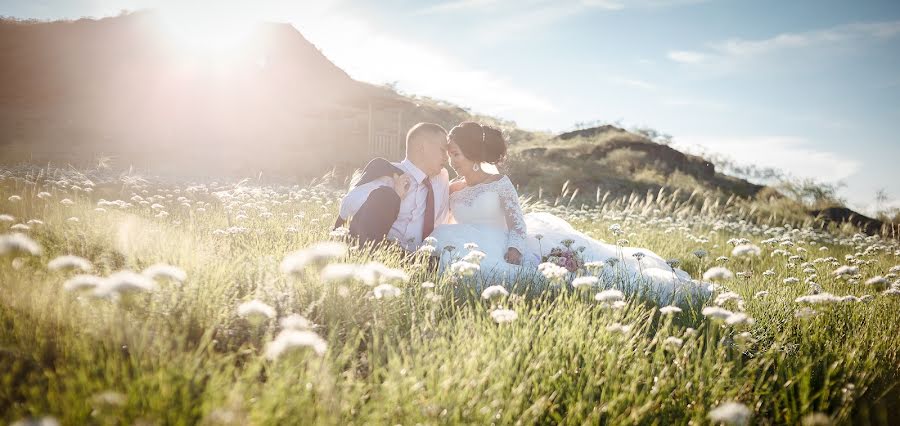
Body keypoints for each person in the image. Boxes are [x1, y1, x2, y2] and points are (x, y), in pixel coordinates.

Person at [334, 123, 450, 250]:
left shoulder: (441, 178)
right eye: (443, 150)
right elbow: (347, 207)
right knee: (385, 196)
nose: (446, 157)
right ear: (421, 147)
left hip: (420, 258)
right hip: (382, 252)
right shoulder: (387, 173)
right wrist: (395, 196)